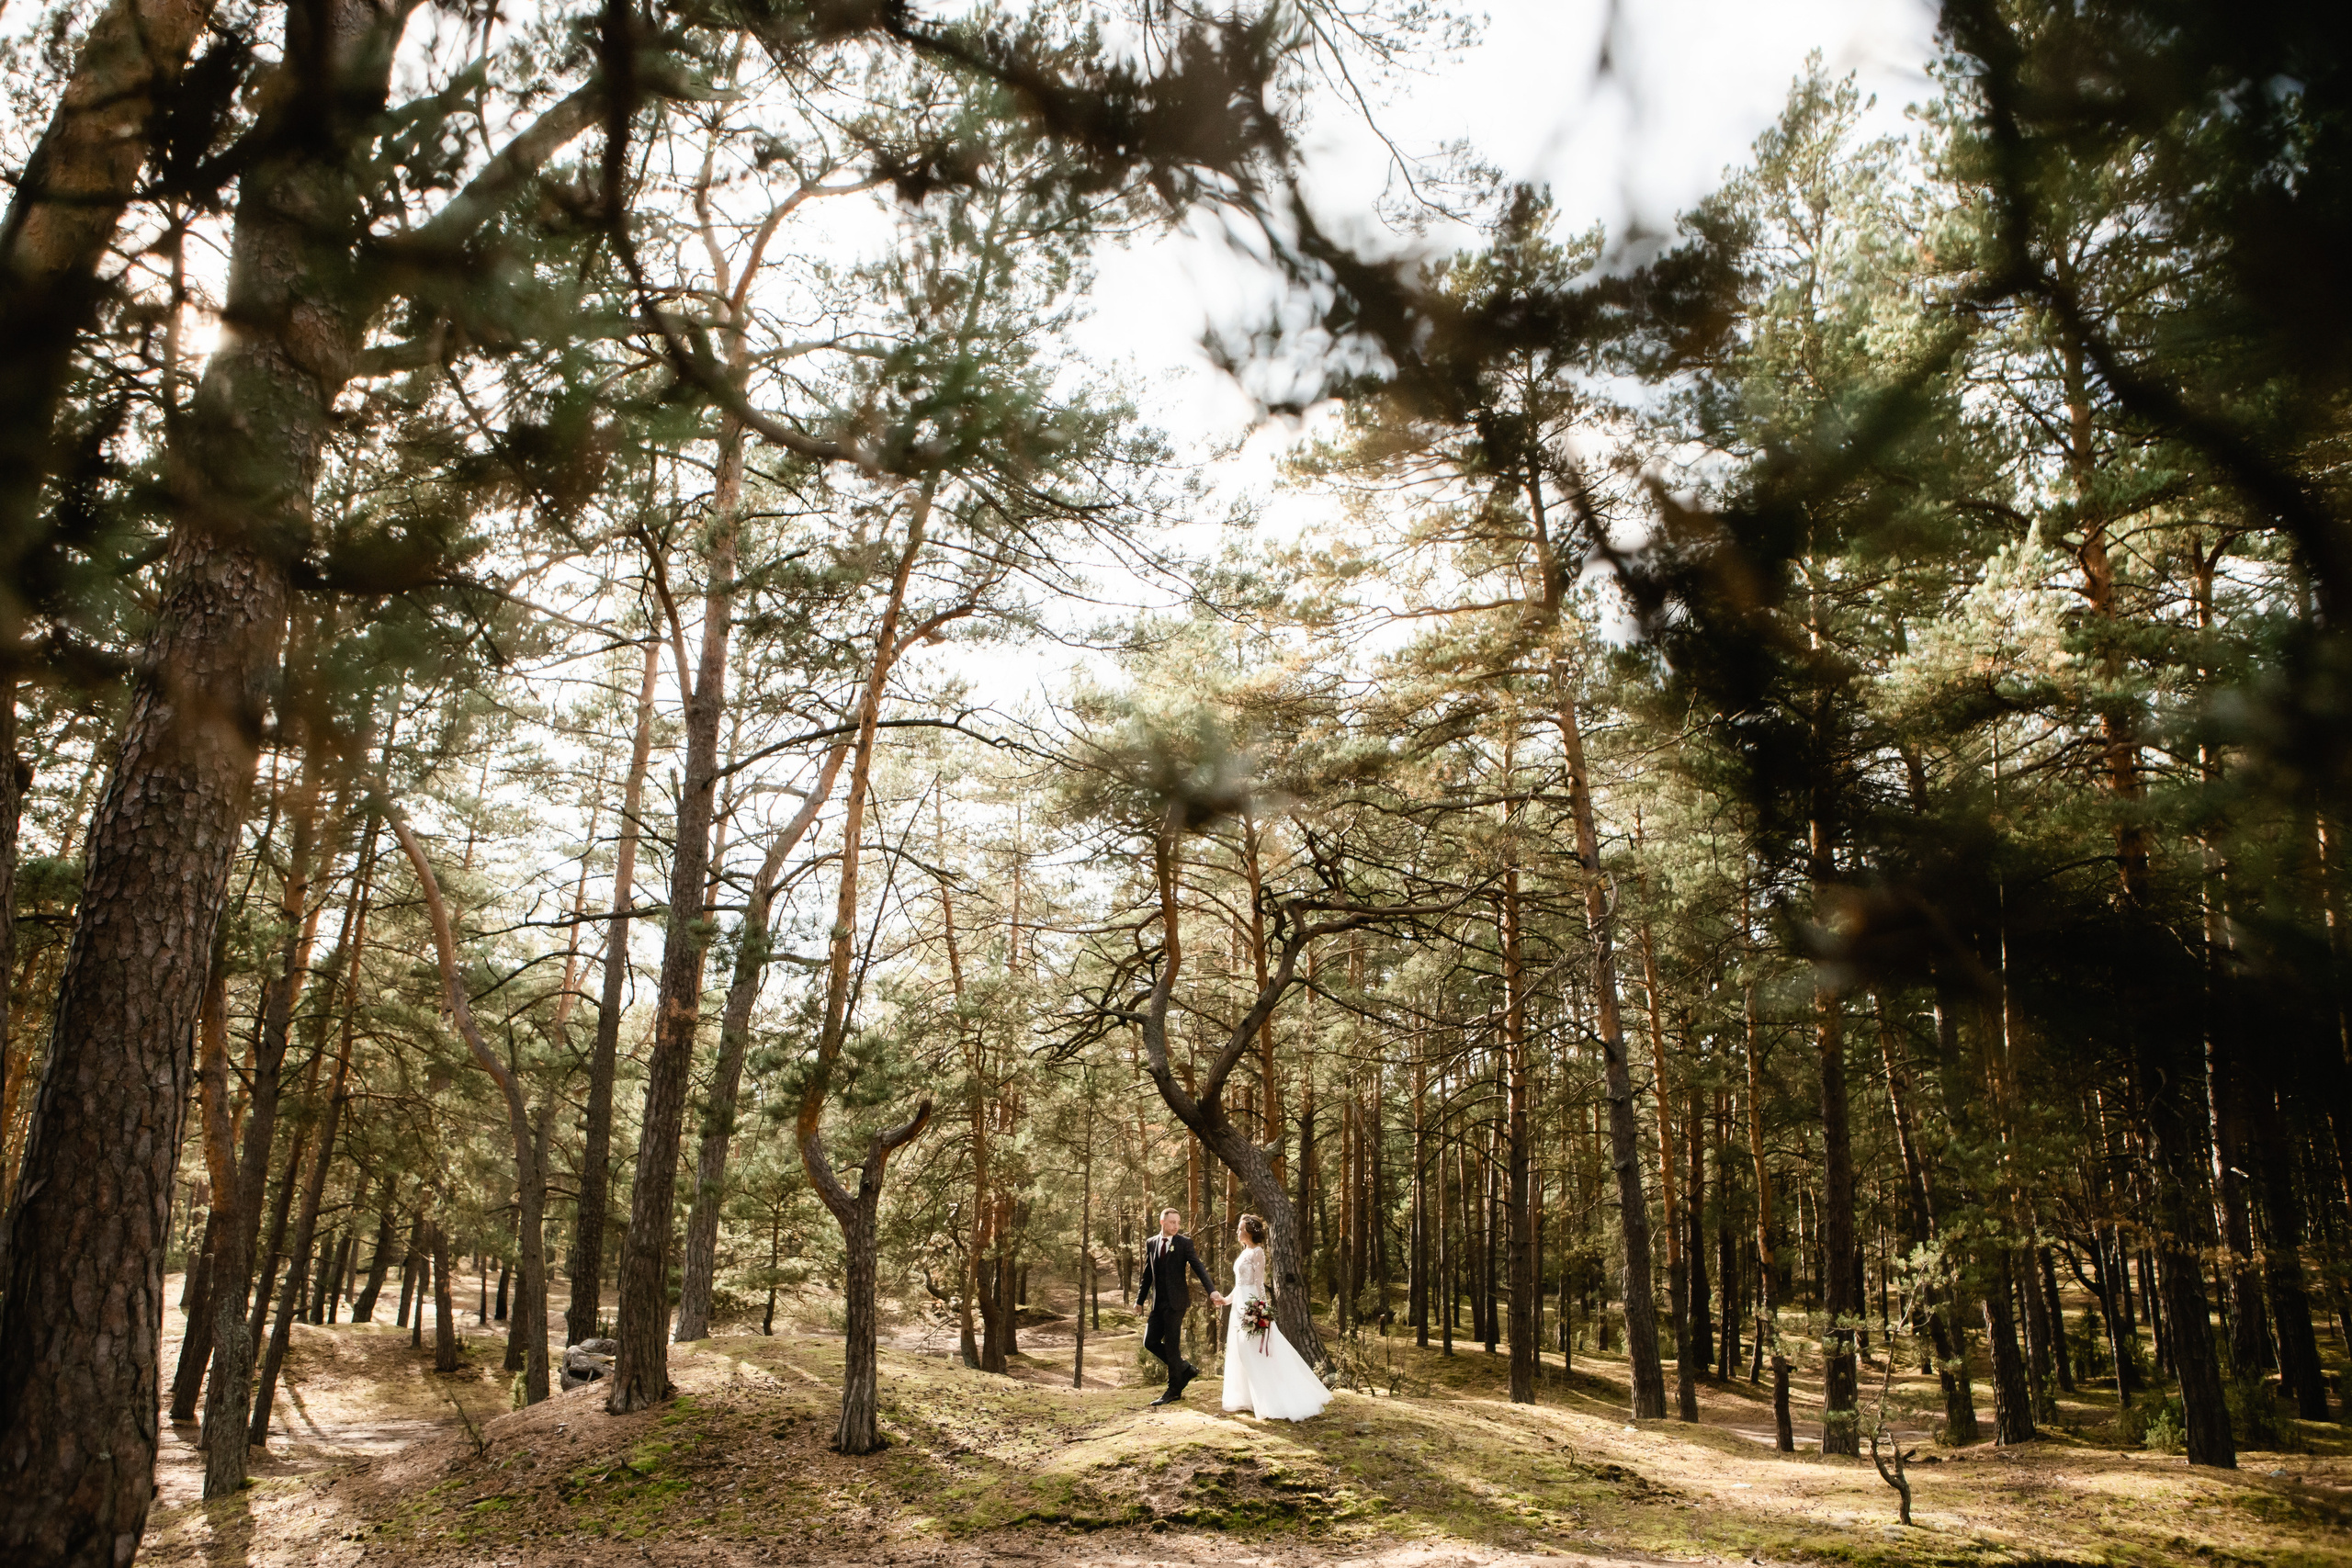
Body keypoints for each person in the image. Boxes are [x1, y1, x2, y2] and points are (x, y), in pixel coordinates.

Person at [1211, 1213, 1329, 1422]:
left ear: (1249, 1231)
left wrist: (1261, 1312)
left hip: (1252, 1306)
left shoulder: (1257, 1253)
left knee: (1254, 1351)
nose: (1237, 1232)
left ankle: (1270, 1399)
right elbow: (1239, 1285)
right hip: (1239, 1305)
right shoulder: (1244, 1252)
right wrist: (1226, 1300)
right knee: (1241, 1351)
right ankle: (1247, 1398)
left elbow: (1258, 1285)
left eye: (1240, 1229)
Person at [1136, 1206, 1216, 1405]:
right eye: (1172, 1222)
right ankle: (1184, 1369)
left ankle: (1173, 1390)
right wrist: (1139, 1300)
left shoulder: (1184, 1243)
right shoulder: (1151, 1243)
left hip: (1176, 1302)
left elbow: (1198, 1266)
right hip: (1157, 1303)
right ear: (1162, 1222)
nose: (1176, 1226)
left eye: (1178, 1223)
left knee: (1171, 1345)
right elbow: (1147, 1274)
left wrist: (1211, 1290)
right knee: (1150, 1341)